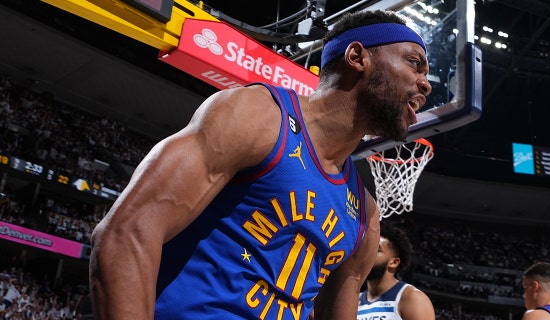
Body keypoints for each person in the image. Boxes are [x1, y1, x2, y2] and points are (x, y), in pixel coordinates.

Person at [89, 8, 432, 320]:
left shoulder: (366, 217)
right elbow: (126, 233)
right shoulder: (259, 117)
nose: (426, 84)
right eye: (414, 63)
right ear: (357, 56)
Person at [357, 224, 435, 320]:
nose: (367, 254)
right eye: (367, 248)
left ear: (394, 262)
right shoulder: (355, 301)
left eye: (377, 250)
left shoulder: (412, 298)